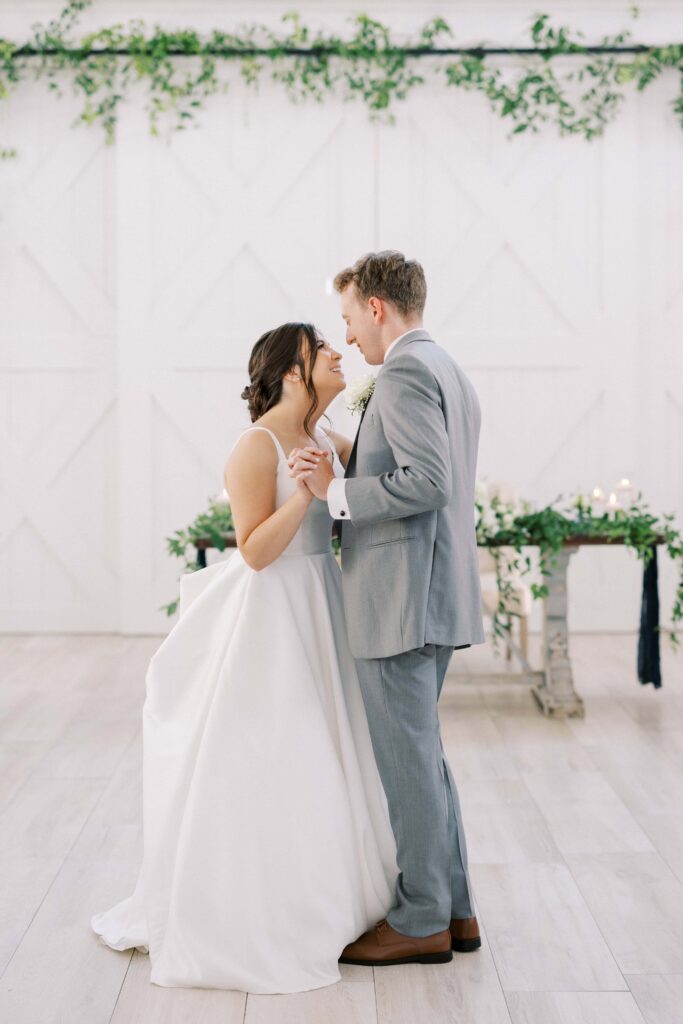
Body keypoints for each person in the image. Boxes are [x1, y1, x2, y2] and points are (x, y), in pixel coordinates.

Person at [90, 321, 401, 993]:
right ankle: (262, 908)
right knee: (281, 752)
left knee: (331, 750)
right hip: (275, 610)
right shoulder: (255, 446)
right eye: (323, 351)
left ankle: (339, 892)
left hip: (321, 604)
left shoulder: (320, 436)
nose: (336, 354)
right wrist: (305, 496)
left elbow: (370, 476)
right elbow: (255, 551)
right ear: (293, 371)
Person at [289, 249, 485, 966]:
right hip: (432, 592)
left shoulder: (401, 371)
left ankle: (420, 918)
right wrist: (351, 448)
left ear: (376, 307)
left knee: (407, 766)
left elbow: (425, 482)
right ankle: (455, 911)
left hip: (399, 601)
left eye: (348, 318)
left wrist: (332, 495)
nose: (347, 338)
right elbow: (417, 463)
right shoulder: (445, 368)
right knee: (423, 760)